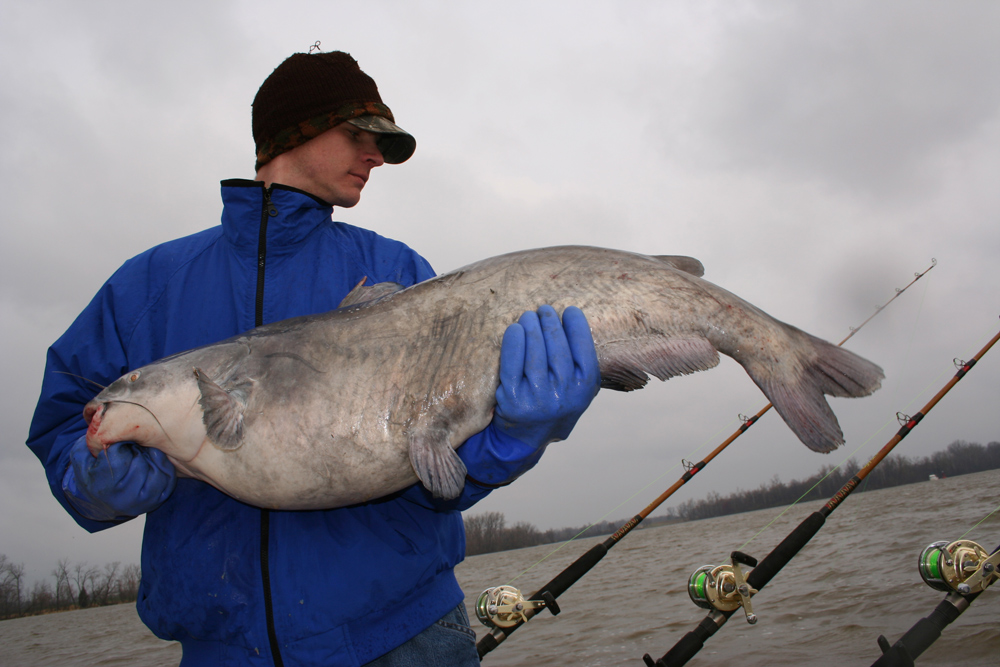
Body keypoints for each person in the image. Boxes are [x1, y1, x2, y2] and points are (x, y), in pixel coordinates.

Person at [27, 50, 601, 666]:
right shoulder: (147, 288)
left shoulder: (399, 274)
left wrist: (515, 437)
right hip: (223, 651)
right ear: (294, 131)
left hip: (408, 636)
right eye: (358, 135)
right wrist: (94, 481)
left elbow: (445, 474)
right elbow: (66, 421)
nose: (375, 157)